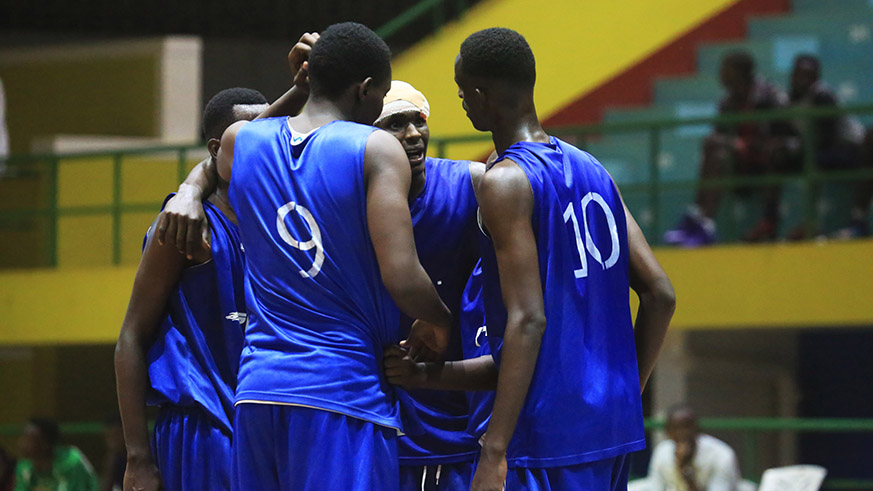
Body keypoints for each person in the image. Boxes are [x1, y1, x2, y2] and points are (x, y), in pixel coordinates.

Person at [209, 22, 451, 491]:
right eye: (381, 96)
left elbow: (211, 167)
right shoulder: (376, 147)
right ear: (364, 90)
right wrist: (442, 321)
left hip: (258, 391)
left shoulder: (242, 141)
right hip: (342, 392)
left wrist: (299, 85)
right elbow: (402, 276)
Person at [435, 27, 674, 491]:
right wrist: (626, 395)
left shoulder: (503, 182)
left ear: (482, 95)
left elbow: (528, 319)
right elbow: (661, 293)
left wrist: (495, 449)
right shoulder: (594, 169)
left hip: (542, 436)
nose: (463, 102)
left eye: (463, 92)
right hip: (610, 433)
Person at [114, 87, 269, 491]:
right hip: (203, 424)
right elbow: (131, 336)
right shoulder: (185, 225)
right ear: (218, 148)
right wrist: (137, 458)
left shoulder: (278, 222)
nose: (262, 147)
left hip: (266, 420)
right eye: (248, 137)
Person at [374, 80, 485, 490]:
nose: (413, 133)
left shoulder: (472, 183)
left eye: (418, 121)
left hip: (461, 411)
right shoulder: (350, 200)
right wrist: (192, 188)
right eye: (396, 124)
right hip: (385, 413)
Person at [665, 51, 793, 246]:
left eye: (726, 70)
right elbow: (721, 134)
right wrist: (737, 145)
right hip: (740, 161)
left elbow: (783, 134)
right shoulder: (728, 102)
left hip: (767, 161)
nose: (721, 74)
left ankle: (701, 216)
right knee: (717, 150)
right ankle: (702, 219)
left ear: (740, 72)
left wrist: (747, 145)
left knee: (715, 145)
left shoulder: (769, 95)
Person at [785, 54, 869, 239]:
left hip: (848, 147)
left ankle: (812, 224)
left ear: (815, 78)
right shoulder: (788, 100)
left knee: (812, 163)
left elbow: (826, 138)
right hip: (820, 150)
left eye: (807, 75)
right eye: (798, 74)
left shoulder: (822, 96)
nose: (801, 79)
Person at [648, 404, 740, 491]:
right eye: (675, 428)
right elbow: (655, 487)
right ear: (667, 432)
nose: (681, 433)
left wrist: (685, 469)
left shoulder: (722, 454)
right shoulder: (662, 451)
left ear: (697, 428)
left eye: (686, 427)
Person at [14, 418, 98, 491]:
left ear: (45, 444)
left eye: (28, 439)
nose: (21, 443)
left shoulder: (71, 462)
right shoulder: (24, 465)